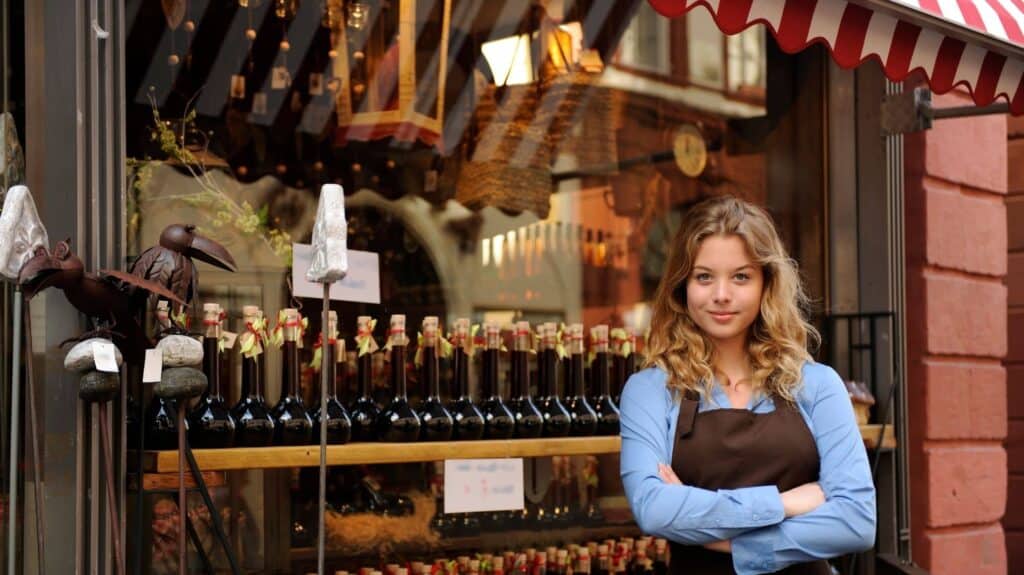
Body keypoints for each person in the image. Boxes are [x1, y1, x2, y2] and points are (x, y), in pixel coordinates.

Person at [620, 196, 875, 574]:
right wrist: (785, 504)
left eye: (741, 276)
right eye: (704, 276)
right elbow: (654, 510)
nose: (721, 294)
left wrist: (723, 540)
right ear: (682, 286)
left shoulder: (817, 384)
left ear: (765, 284)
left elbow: (856, 522)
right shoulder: (651, 390)